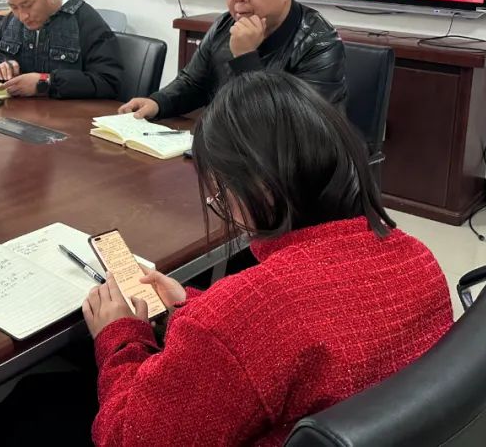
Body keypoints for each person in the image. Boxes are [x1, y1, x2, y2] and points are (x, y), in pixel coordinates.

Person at [85, 71, 452, 446]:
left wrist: (121, 336)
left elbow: (127, 439)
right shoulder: (418, 257)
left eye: (220, 194)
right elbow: (305, 329)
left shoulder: (242, 318)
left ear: (258, 185)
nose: (221, 205)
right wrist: (191, 304)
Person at [119, 0, 346, 120]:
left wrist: (246, 58)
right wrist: (158, 103)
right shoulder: (225, 24)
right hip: (227, 146)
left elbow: (293, 126)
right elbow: (194, 83)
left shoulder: (319, 42)